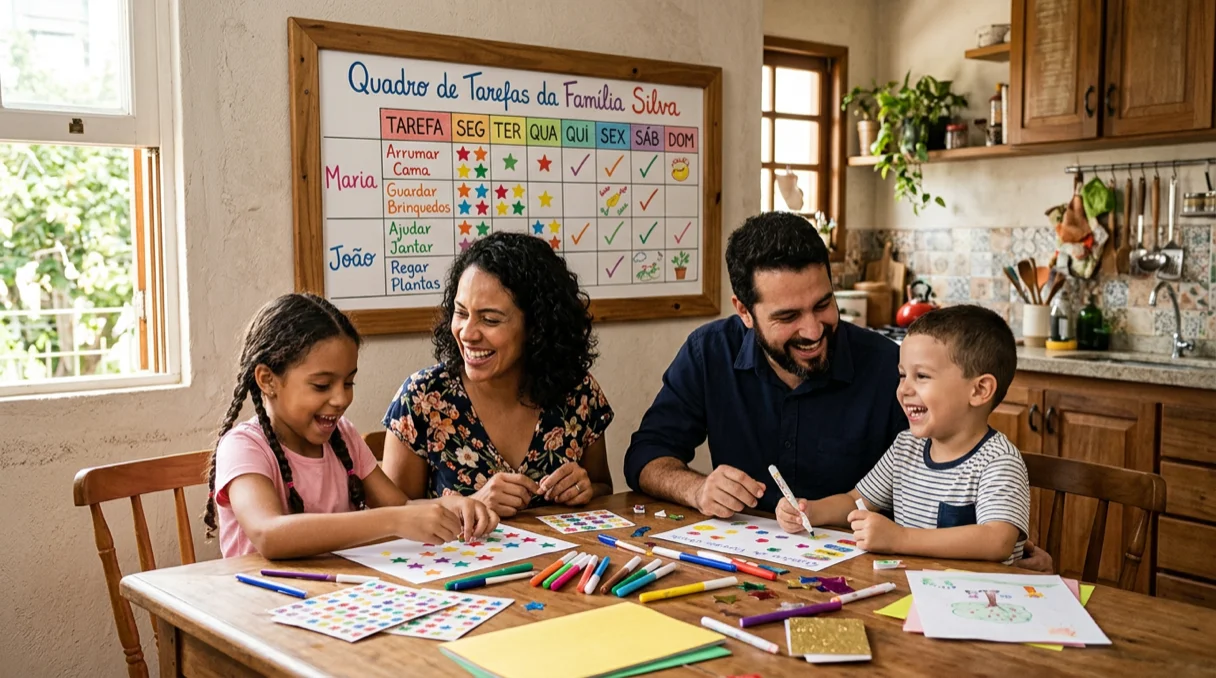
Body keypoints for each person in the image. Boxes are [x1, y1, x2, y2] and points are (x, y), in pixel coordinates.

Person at [624, 212, 908, 518]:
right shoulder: (709, 351)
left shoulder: (888, 366)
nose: (813, 331)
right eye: (788, 316)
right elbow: (646, 454)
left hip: (857, 545)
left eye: (823, 305)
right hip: (743, 544)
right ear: (744, 312)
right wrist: (697, 489)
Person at [203, 293, 496, 560]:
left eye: (348, 383)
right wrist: (392, 521)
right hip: (260, 598)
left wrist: (452, 506)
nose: (341, 399)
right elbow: (269, 535)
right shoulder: (243, 447)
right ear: (268, 380)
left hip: (337, 592)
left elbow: (401, 507)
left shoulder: (342, 435)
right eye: (322, 385)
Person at [382, 232, 614, 518]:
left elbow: (604, 488)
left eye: (490, 320)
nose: (467, 333)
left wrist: (585, 489)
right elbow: (390, 517)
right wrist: (471, 504)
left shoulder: (578, 392)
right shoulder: (422, 398)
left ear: (537, 327)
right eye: (461, 313)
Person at [777, 305, 1030, 564]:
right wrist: (810, 511)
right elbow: (856, 501)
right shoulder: (906, 446)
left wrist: (899, 538)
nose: (904, 389)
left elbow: (997, 541)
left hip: (975, 589)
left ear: (979, 390)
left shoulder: (999, 461)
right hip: (912, 584)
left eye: (922, 376)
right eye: (902, 375)